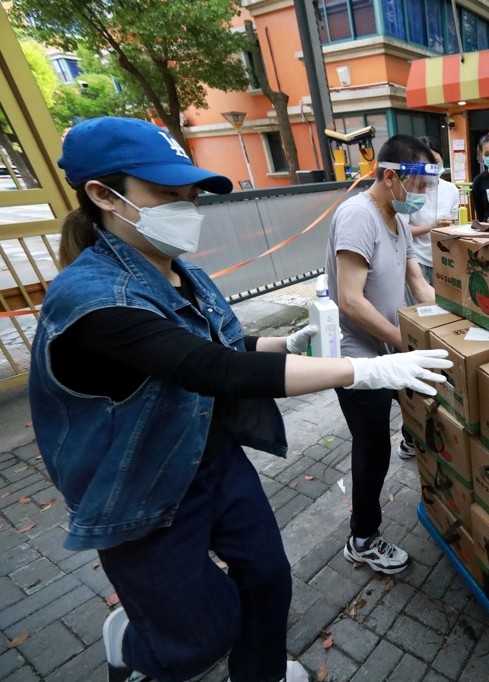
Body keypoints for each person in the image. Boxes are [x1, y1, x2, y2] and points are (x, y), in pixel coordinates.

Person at [29, 117, 452, 682]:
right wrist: (366, 369)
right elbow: (210, 368)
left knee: (268, 578)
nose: (187, 206)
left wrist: (281, 341)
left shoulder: (185, 274)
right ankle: (136, 644)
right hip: (141, 487)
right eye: (166, 194)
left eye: (190, 193)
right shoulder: (94, 299)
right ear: (104, 196)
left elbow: (221, 344)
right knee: (200, 636)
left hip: (213, 459)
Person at [325, 134, 441, 575]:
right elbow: (350, 300)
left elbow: (419, 284)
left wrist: (451, 326)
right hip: (358, 355)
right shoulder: (358, 216)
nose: (425, 197)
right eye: (422, 186)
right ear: (391, 177)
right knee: (373, 446)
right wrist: (400, 340)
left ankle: (414, 440)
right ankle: (363, 538)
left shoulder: (395, 217)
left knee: (424, 404)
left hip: (390, 346)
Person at [405, 136, 461, 305]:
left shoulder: (451, 190)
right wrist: (432, 227)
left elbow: (457, 224)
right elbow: (402, 230)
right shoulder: (410, 191)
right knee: (421, 307)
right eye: (426, 165)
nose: (432, 168)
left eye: (435, 162)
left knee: (444, 305)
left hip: (442, 258)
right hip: (416, 259)